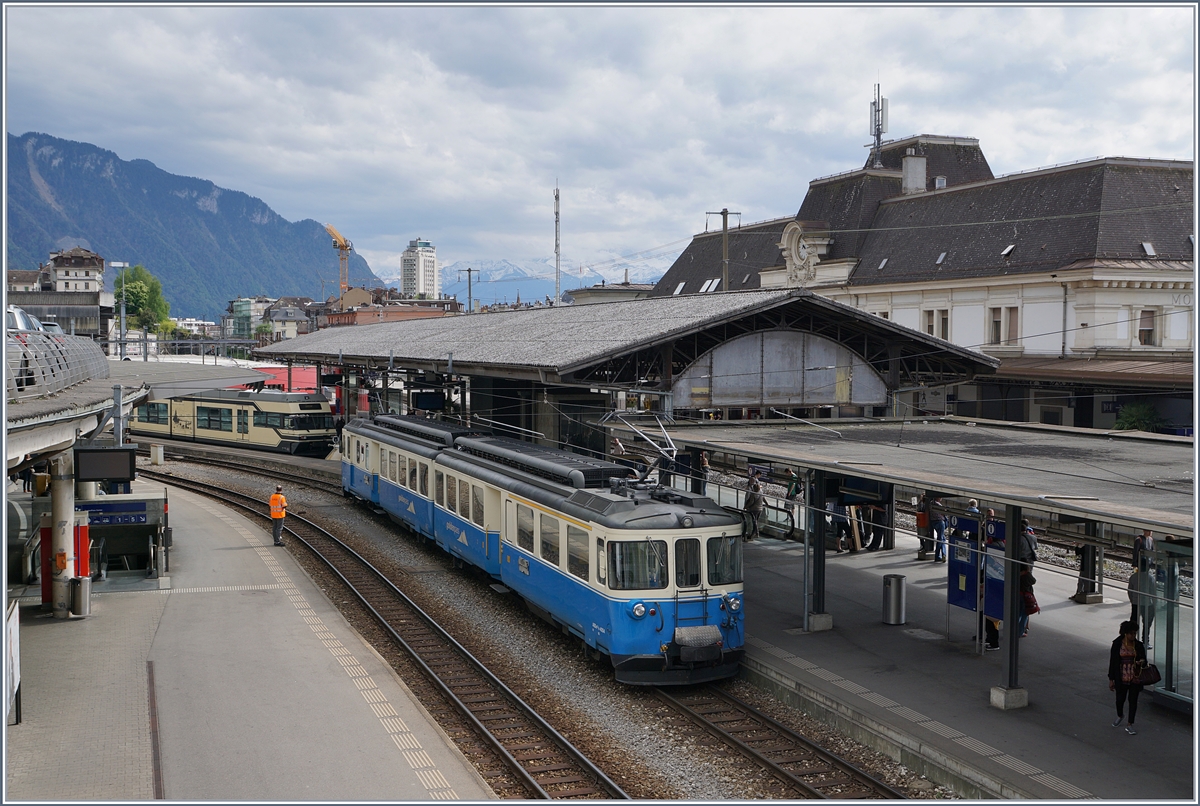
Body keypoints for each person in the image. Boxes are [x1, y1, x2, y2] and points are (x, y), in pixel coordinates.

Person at [1108, 620, 1147, 735]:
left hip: (1135, 677)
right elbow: (1113, 662)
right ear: (1125, 633)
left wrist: (1141, 662)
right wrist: (1111, 679)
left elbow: (1144, 660)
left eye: (1134, 633)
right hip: (1121, 677)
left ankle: (1130, 724)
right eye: (1131, 633)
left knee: (1133, 701)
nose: (1133, 636)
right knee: (1120, 700)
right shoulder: (1117, 644)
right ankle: (1120, 715)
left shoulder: (1138, 645)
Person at [1127, 568, 1156, 647]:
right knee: (1147, 623)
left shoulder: (1133, 577)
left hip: (1136, 603)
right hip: (1147, 603)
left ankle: (1131, 640)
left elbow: (1130, 590)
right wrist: (1154, 604)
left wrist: (1132, 600)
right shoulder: (1150, 578)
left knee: (1133, 622)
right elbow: (1153, 592)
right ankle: (1145, 641)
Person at [743, 471, 763, 542]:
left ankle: (752, 533)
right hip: (760, 508)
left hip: (754, 509)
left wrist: (745, 506)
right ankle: (756, 533)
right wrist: (766, 504)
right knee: (756, 521)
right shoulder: (761, 492)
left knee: (753, 521)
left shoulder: (753, 493)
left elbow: (750, 501)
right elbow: (764, 498)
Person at [1018, 568, 1038, 637]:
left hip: (1017, 595)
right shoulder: (1026, 575)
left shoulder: (1014, 572)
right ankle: (1020, 632)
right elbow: (1033, 581)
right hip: (1025, 597)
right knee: (1024, 614)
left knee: (1018, 613)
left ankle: (1012, 629)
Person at [930, 497, 947, 562]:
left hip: (933, 522)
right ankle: (937, 556)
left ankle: (943, 554)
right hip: (940, 522)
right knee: (940, 539)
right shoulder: (938, 505)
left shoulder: (931, 503)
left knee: (942, 538)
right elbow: (944, 513)